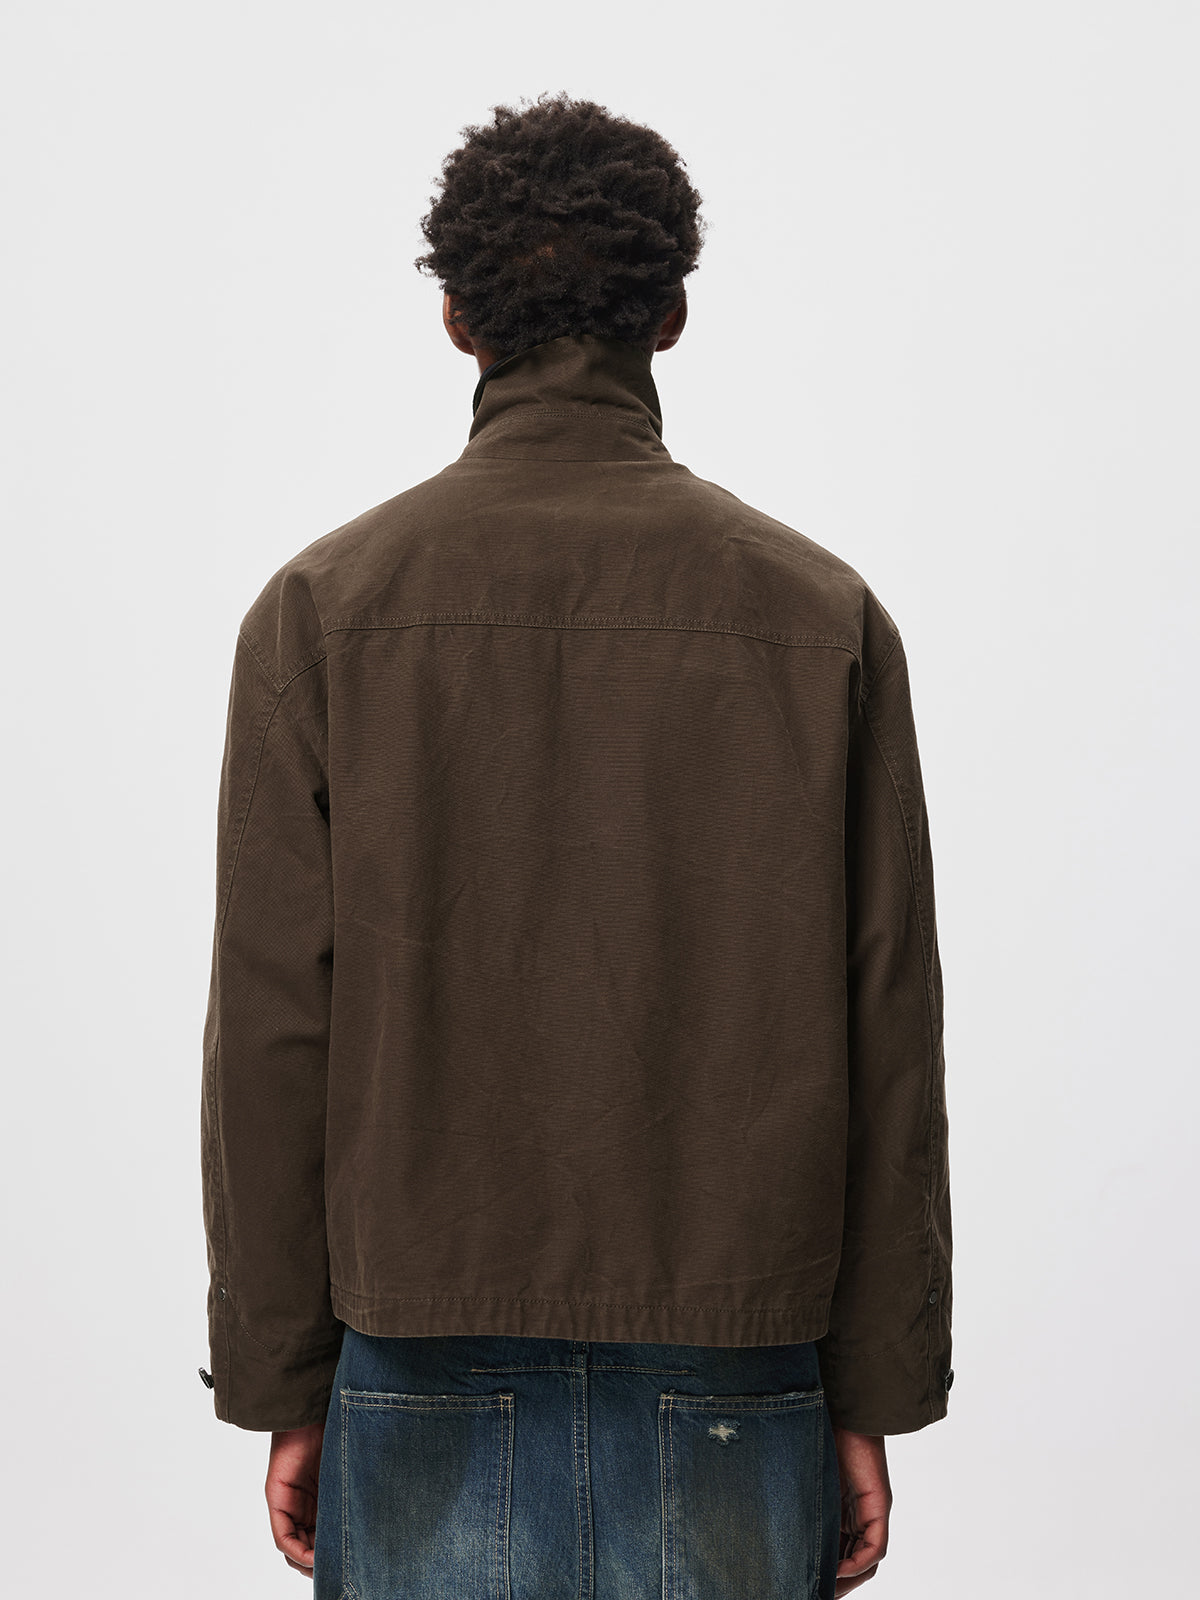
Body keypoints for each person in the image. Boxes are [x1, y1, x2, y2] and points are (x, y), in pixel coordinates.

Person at [198, 91, 953, 1600]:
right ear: (670, 315)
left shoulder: (324, 612)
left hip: (415, 1348)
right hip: (739, 1352)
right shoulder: (820, 616)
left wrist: (284, 1376)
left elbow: (274, 1030)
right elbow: (890, 1029)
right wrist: (873, 1387)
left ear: (459, 320)